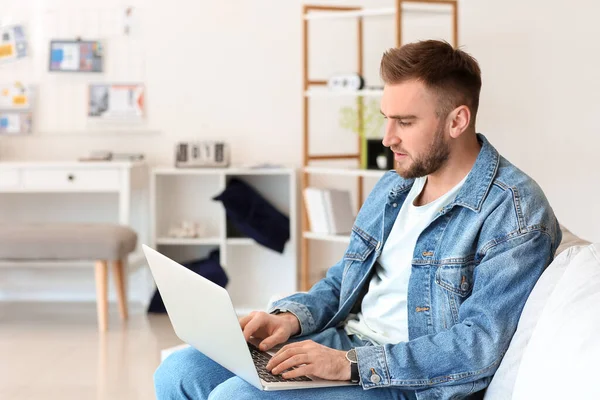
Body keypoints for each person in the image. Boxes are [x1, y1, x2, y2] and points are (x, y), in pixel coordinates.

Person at [154, 40, 562, 400]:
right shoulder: (395, 187)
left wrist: (348, 364)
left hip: (408, 382)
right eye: (387, 118)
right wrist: (289, 319)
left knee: (236, 397)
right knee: (179, 372)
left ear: (457, 121)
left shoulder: (515, 212)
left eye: (405, 122)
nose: (387, 138)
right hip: (345, 344)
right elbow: (344, 278)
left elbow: (478, 344)